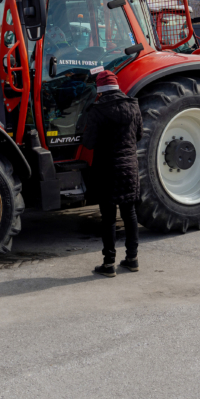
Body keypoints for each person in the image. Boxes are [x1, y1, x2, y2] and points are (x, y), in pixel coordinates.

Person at [82, 68, 143, 277]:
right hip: (129, 168)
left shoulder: (97, 110)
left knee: (108, 217)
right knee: (130, 213)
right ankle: (132, 259)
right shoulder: (133, 105)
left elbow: (89, 143)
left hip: (107, 168)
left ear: (100, 89)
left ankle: (109, 264)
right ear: (117, 85)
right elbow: (139, 135)